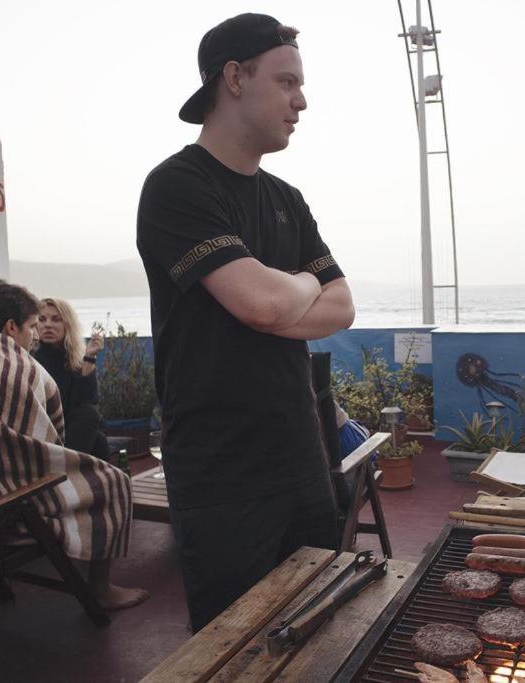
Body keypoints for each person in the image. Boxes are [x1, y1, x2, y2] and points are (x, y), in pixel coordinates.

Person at [136, 13, 355, 632]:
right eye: (287, 82)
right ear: (234, 77)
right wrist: (292, 291)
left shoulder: (286, 198)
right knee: (234, 646)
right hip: (221, 475)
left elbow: (342, 306)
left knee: (320, 625)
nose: (302, 101)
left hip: (302, 457)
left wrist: (284, 294)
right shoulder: (176, 187)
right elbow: (262, 306)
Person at [0, 280, 148, 610]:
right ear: (11, 327)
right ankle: (101, 590)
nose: (35, 333)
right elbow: (49, 445)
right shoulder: (18, 366)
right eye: (33, 325)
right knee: (111, 481)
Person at [32, 297, 110, 461]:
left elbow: (87, 403)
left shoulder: (73, 359)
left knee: (98, 437)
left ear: (68, 325)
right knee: (97, 438)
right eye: (42, 319)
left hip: (69, 430)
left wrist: (89, 357)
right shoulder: (29, 358)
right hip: (40, 428)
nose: (48, 325)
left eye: (56, 319)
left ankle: (71, 474)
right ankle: (69, 472)